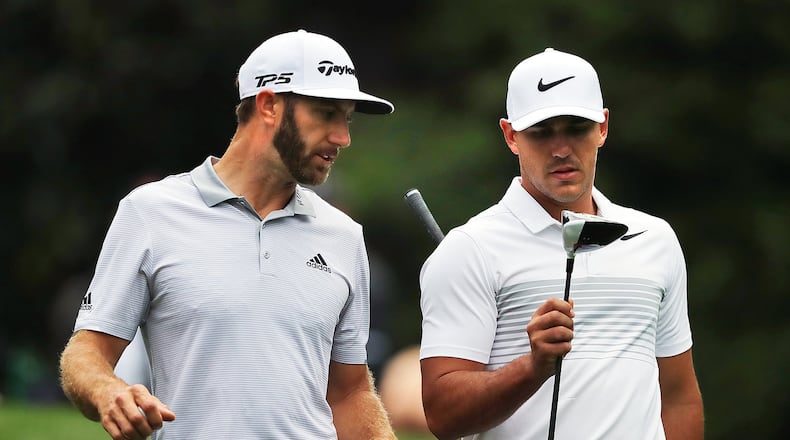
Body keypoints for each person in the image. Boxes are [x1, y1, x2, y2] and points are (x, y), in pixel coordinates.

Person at [59, 29, 397, 440]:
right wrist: (108, 391)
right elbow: (86, 352)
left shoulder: (343, 235)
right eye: (327, 113)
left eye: (346, 119)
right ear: (269, 105)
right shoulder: (151, 212)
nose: (342, 137)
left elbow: (349, 392)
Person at [418, 48, 704, 439]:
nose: (561, 149)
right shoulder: (469, 249)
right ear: (511, 136)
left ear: (602, 127)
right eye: (541, 132)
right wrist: (531, 367)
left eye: (576, 128)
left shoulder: (655, 239)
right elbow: (443, 416)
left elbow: (678, 397)